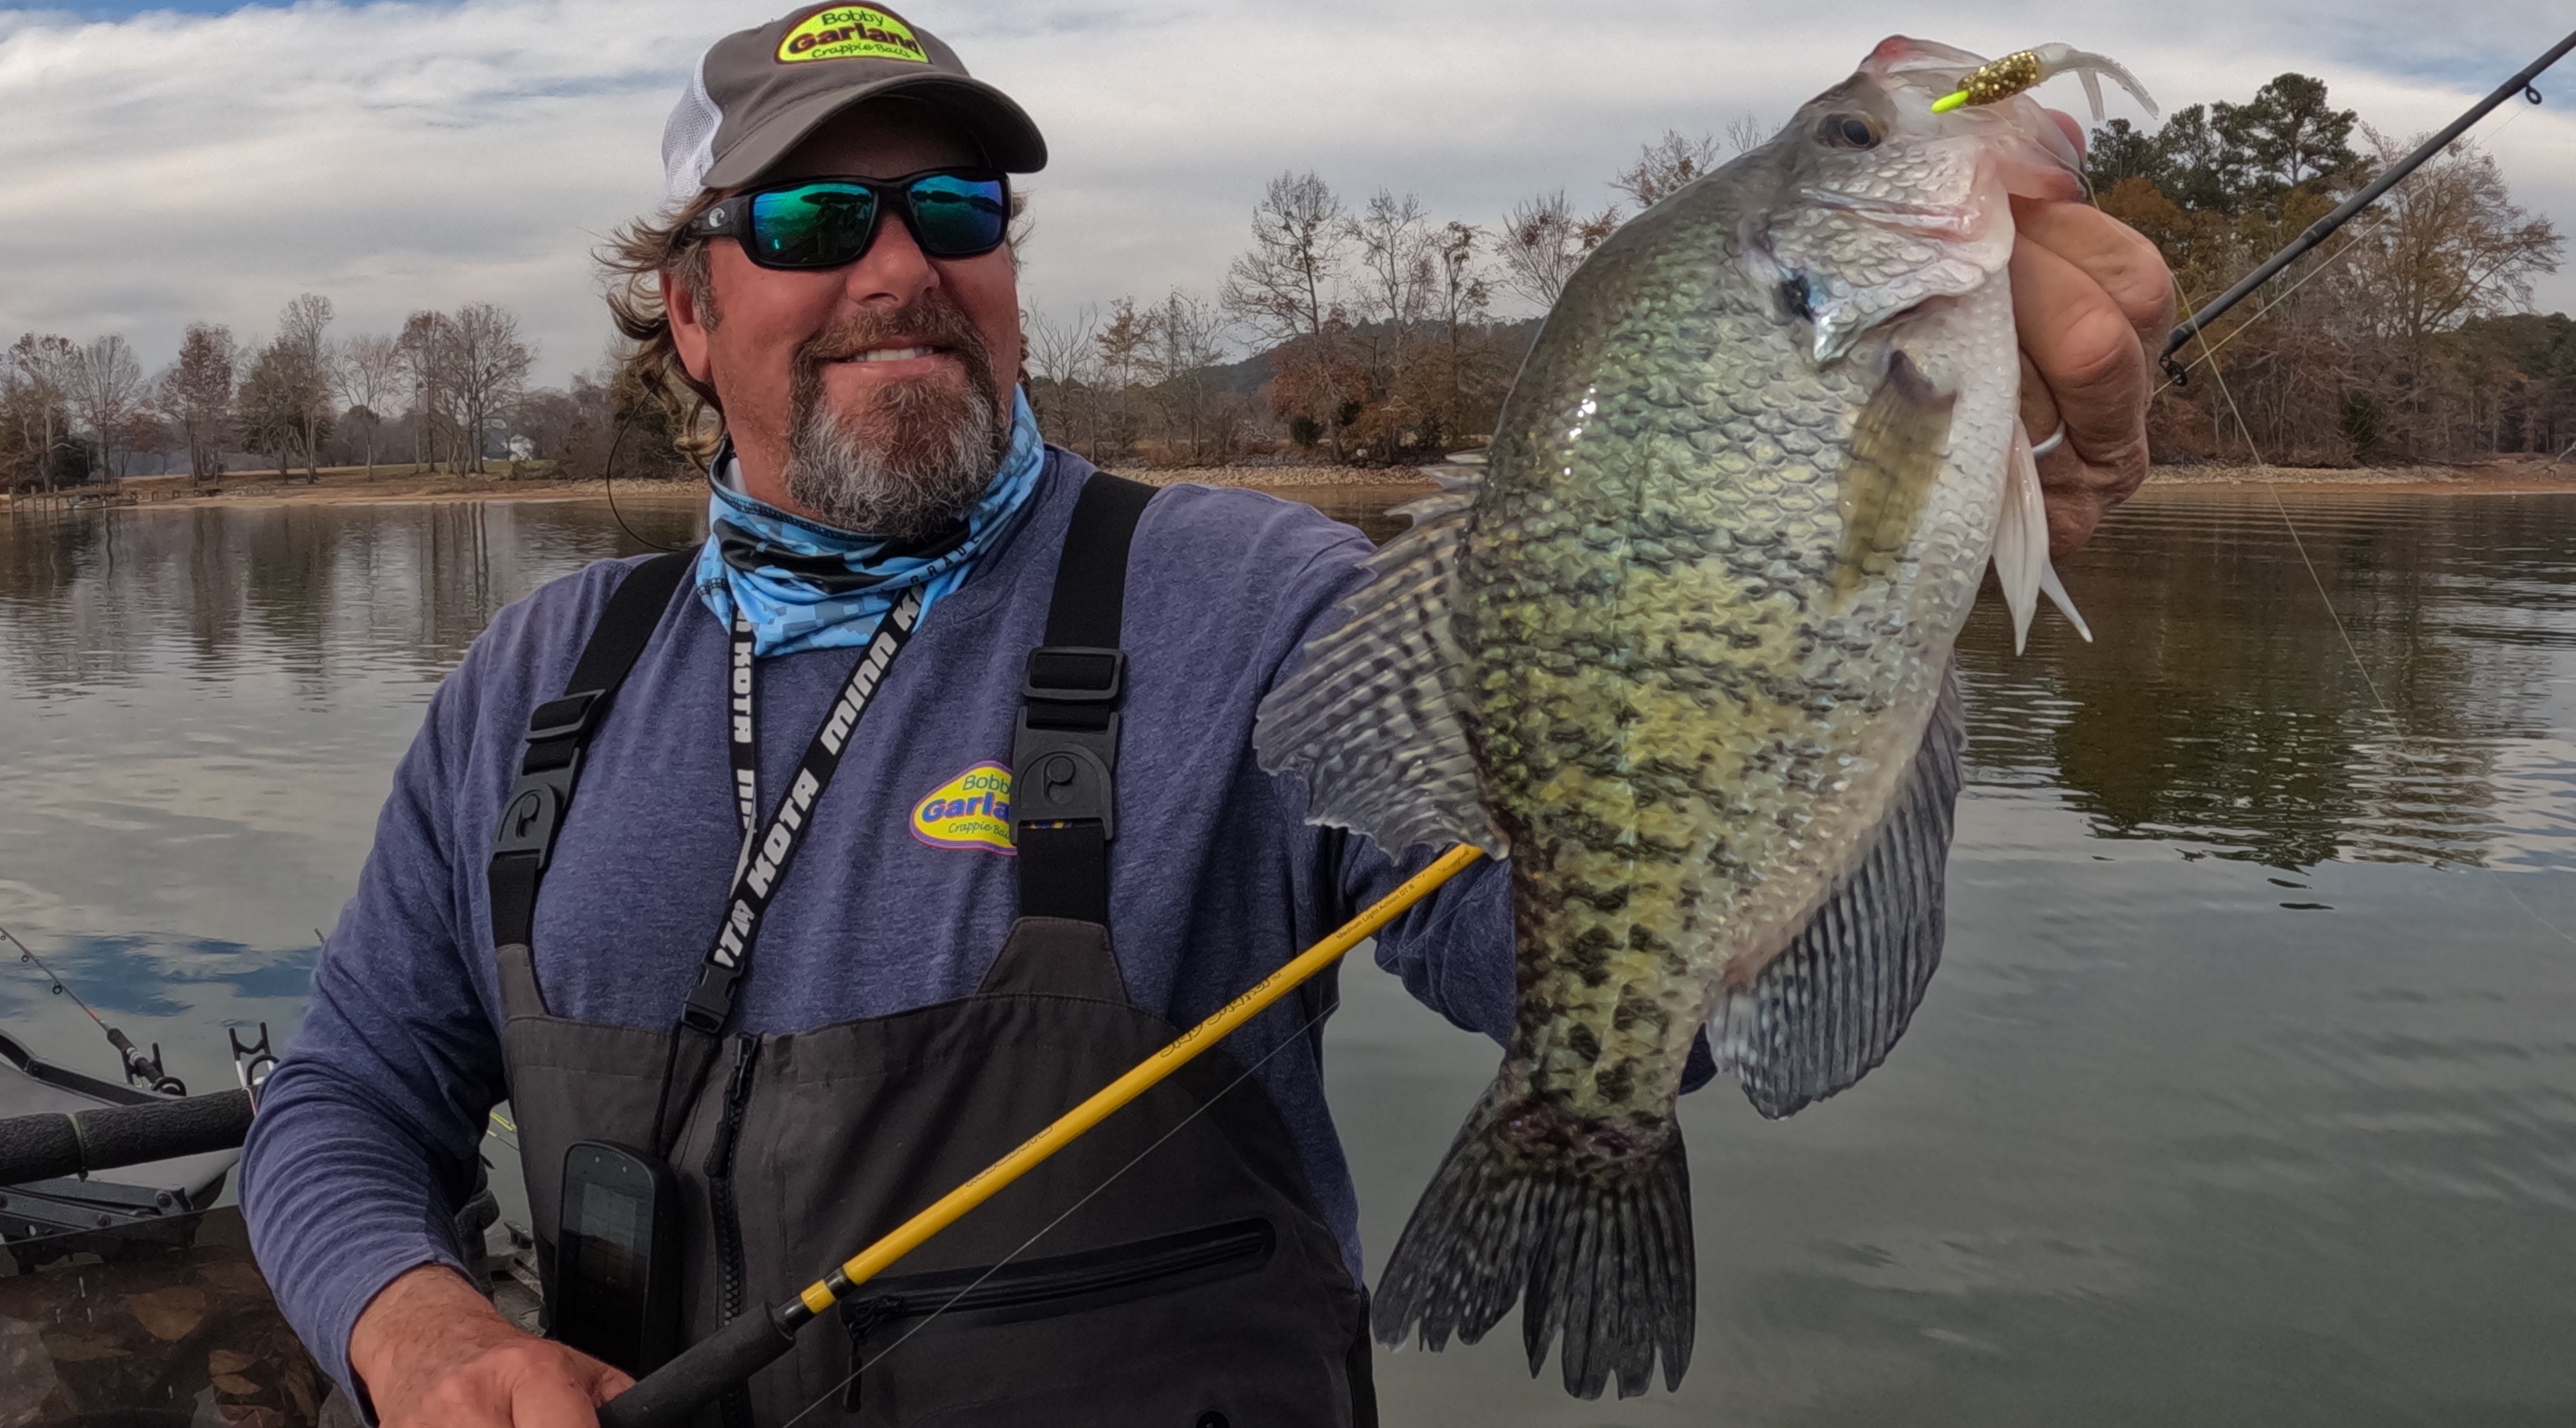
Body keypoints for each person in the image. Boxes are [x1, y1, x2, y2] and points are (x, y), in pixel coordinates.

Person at [239, 6, 2179, 1426]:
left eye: (961, 209)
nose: (901, 268)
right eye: (820, 217)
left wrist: (1854, 606)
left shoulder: (1239, 599)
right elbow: (344, 1103)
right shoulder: (537, 681)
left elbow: (1559, 958)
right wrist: (417, 1326)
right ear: (686, 307)